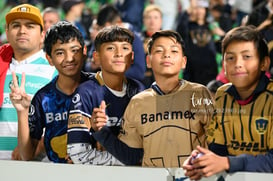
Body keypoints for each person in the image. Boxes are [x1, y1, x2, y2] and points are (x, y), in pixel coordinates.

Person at [91, 30, 214, 167]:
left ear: (183, 62)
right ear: (148, 61)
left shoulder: (199, 94)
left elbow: (217, 145)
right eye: (159, 51)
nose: (167, 55)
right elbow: (130, 157)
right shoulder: (139, 102)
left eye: (174, 51)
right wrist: (101, 131)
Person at [183, 25, 273, 180]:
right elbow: (218, 150)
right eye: (230, 58)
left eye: (247, 56)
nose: (237, 64)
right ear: (223, 65)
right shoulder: (222, 95)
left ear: (264, 63)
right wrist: (202, 161)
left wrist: (228, 162)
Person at [9, 21, 92, 163]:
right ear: (49, 59)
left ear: (84, 51)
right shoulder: (43, 98)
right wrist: (22, 112)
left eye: (74, 50)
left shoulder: (98, 87)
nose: (69, 58)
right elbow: (27, 155)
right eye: (60, 52)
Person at [67, 25, 145, 165]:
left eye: (125, 48)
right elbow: (78, 154)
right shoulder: (85, 93)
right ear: (96, 57)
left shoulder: (138, 90)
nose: (119, 53)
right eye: (110, 48)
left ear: (132, 57)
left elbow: (147, 145)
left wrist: (106, 143)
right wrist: (133, 159)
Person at [0, 3, 57, 160]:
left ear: (42, 34)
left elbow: (62, 120)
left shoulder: (55, 70)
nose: (22, 31)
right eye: (16, 25)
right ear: (7, 32)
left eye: (30, 26)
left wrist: (36, 147)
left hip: (34, 167)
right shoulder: (1, 64)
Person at [86, 4, 146, 82]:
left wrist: (113, 70)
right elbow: (87, 65)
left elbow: (139, 72)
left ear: (117, 23)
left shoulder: (135, 39)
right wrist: (92, 66)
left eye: (106, 28)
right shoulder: (101, 37)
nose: (105, 33)